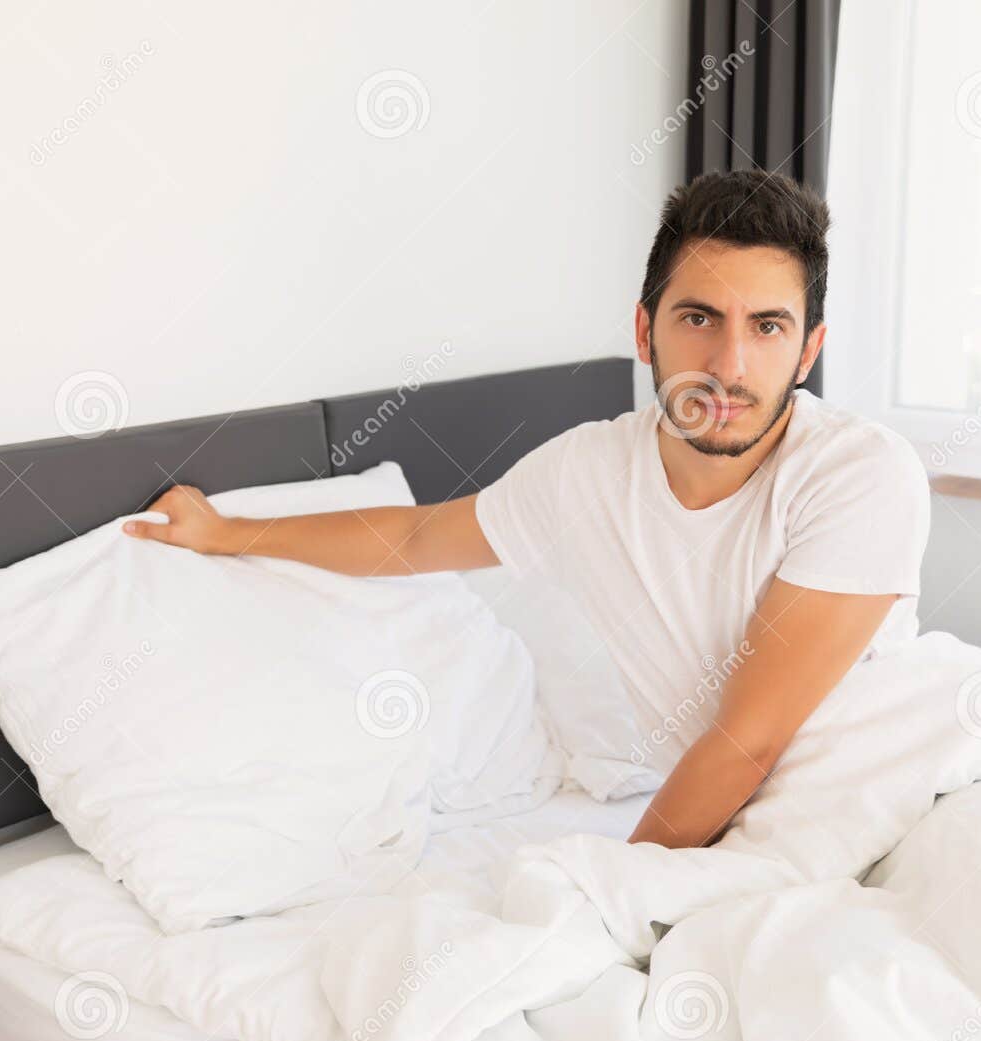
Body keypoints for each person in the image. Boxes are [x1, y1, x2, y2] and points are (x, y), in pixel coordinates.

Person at [123, 169, 930, 851]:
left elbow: (745, 743)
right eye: (699, 318)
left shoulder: (861, 474)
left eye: (767, 326)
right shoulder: (586, 472)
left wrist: (621, 882)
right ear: (645, 331)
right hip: (746, 841)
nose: (729, 364)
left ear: (808, 351)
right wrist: (230, 532)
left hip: (895, 811)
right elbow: (411, 534)